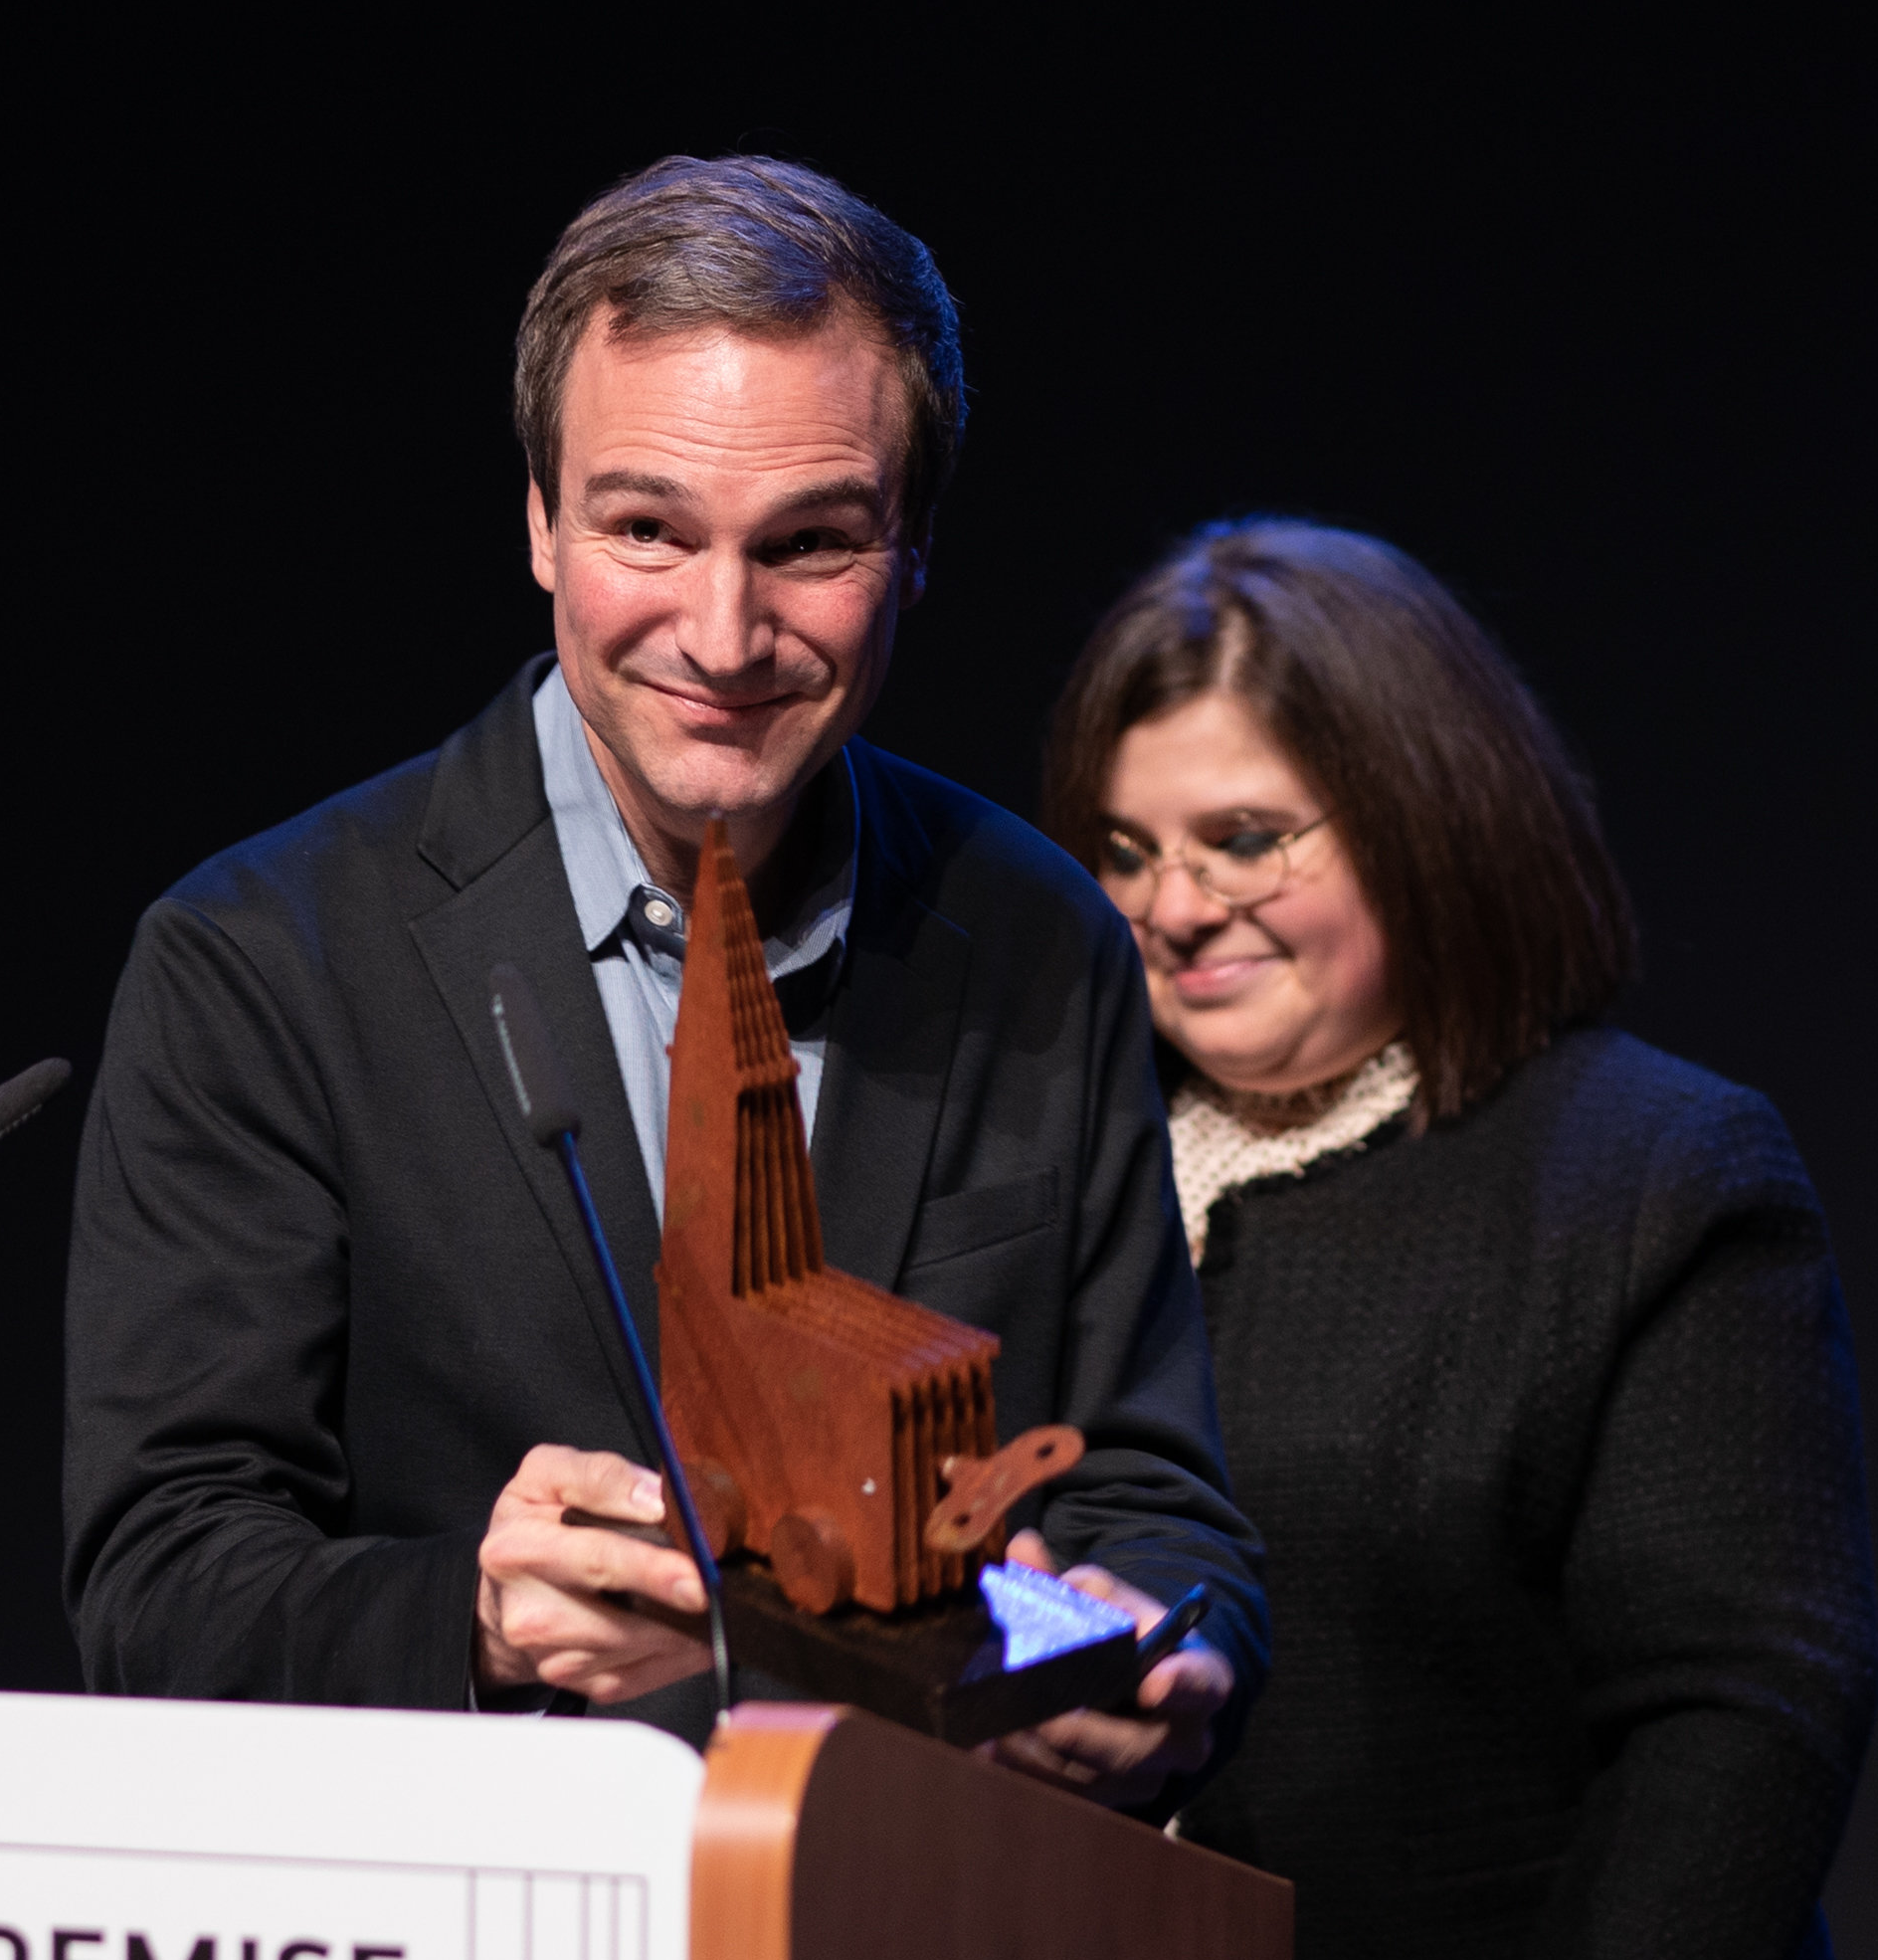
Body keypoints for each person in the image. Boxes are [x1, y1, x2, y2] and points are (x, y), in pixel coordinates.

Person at [61, 154, 1263, 1796]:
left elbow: (1157, 1500)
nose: (721, 630)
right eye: (645, 527)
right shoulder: (261, 959)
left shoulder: (1039, 934)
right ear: (541, 522)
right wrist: (479, 1622)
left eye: (810, 543)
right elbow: (160, 1594)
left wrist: (1173, 1641)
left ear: (912, 548)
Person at [1033, 523, 1878, 1960]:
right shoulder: (1061, 1195)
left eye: (1242, 838)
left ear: (1421, 816)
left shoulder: (1643, 1177)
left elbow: (1745, 1700)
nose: (1174, 904)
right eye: (1123, 850)